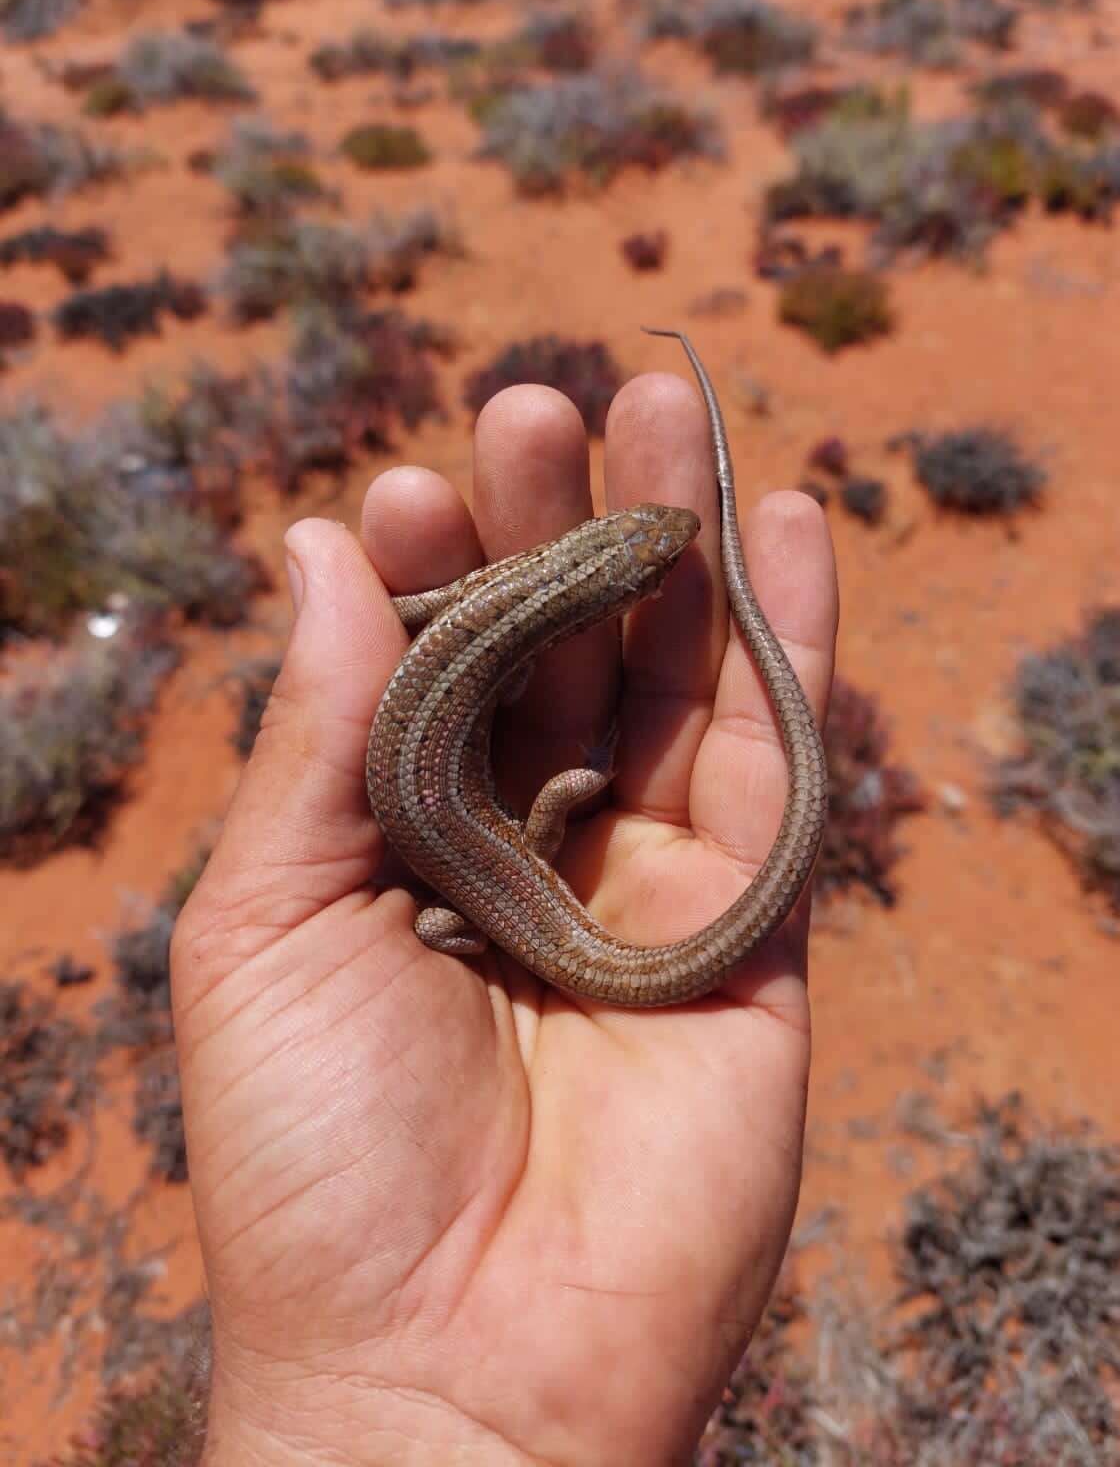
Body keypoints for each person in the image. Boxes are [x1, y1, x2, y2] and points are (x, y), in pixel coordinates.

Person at [173, 364, 839, 1465]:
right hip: (493, 874)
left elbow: (417, 613)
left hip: (484, 881)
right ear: (613, 595)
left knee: (541, 805)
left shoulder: (508, 592)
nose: (662, 544)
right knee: (563, 807)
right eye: (650, 553)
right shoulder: (533, 626)